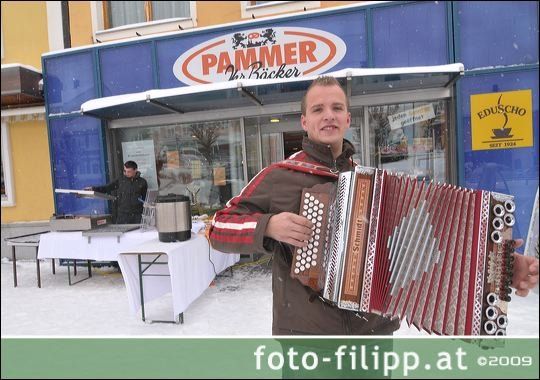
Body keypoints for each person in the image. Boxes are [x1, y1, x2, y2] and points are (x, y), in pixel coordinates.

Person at [208, 76, 539, 335]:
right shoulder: (280, 176)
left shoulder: (373, 187)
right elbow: (217, 226)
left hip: (372, 334)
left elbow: (432, 247)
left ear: (348, 118)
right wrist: (268, 226)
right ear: (304, 121)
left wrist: (502, 268)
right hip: (309, 337)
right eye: (318, 109)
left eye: (337, 108)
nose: (328, 116)